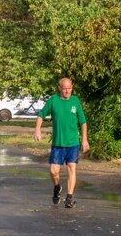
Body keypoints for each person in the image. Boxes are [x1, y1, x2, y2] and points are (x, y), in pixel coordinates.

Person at [33, 77, 89, 208]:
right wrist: (37, 130)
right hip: (58, 143)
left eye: (70, 88)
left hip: (72, 143)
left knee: (72, 168)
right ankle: (57, 187)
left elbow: (83, 122)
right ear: (59, 88)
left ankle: (69, 198)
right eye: (65, 88)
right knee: (53, 171)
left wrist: (84, 139)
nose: (67, 91)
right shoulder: (53, 100)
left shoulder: (75, 101)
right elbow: (41, 115)